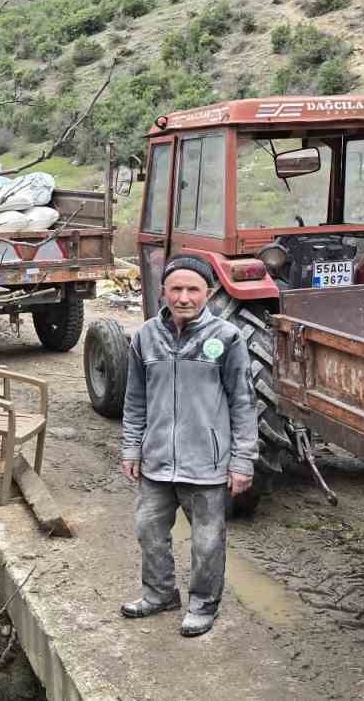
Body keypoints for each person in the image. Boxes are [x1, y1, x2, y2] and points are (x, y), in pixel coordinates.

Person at [119, 254, 258, 637]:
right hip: (157, 460)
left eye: (192, 289)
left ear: (208, 292)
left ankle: (203, 603)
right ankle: (160, 593)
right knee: (148, 530)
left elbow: (243, 403)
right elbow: (135, 399)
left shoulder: (227, 338)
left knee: (207, 541)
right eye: (175, 289)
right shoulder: (146, 336)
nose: (183, 297)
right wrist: (132, 448)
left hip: (207, 464)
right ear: (163, 291)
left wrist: (242, 461)